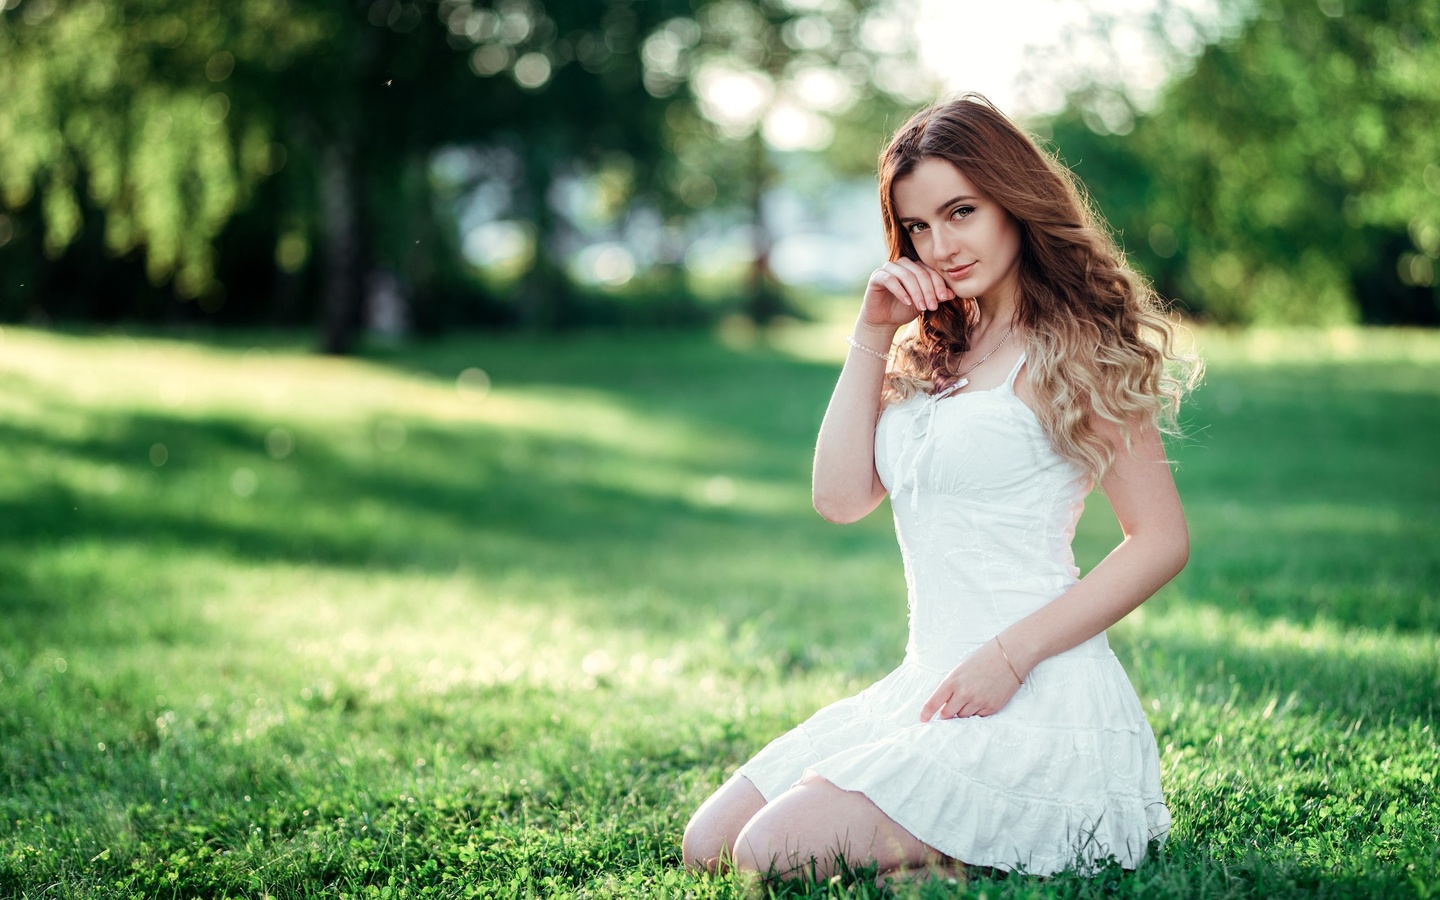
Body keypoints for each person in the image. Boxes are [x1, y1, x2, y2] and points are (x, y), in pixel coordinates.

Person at [681, 94, 1202, 883]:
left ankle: (991, 857)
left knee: (768, 855)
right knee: (709, 845)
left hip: (1036, 695)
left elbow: (1161, 541)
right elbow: (839, 498)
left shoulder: (1076, 349)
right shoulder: (934, 351)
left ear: (1014, 202)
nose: (942, 245)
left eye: (961, 211)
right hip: (929, 685)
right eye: (918, 226)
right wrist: (873, 329)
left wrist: (1010, 656)